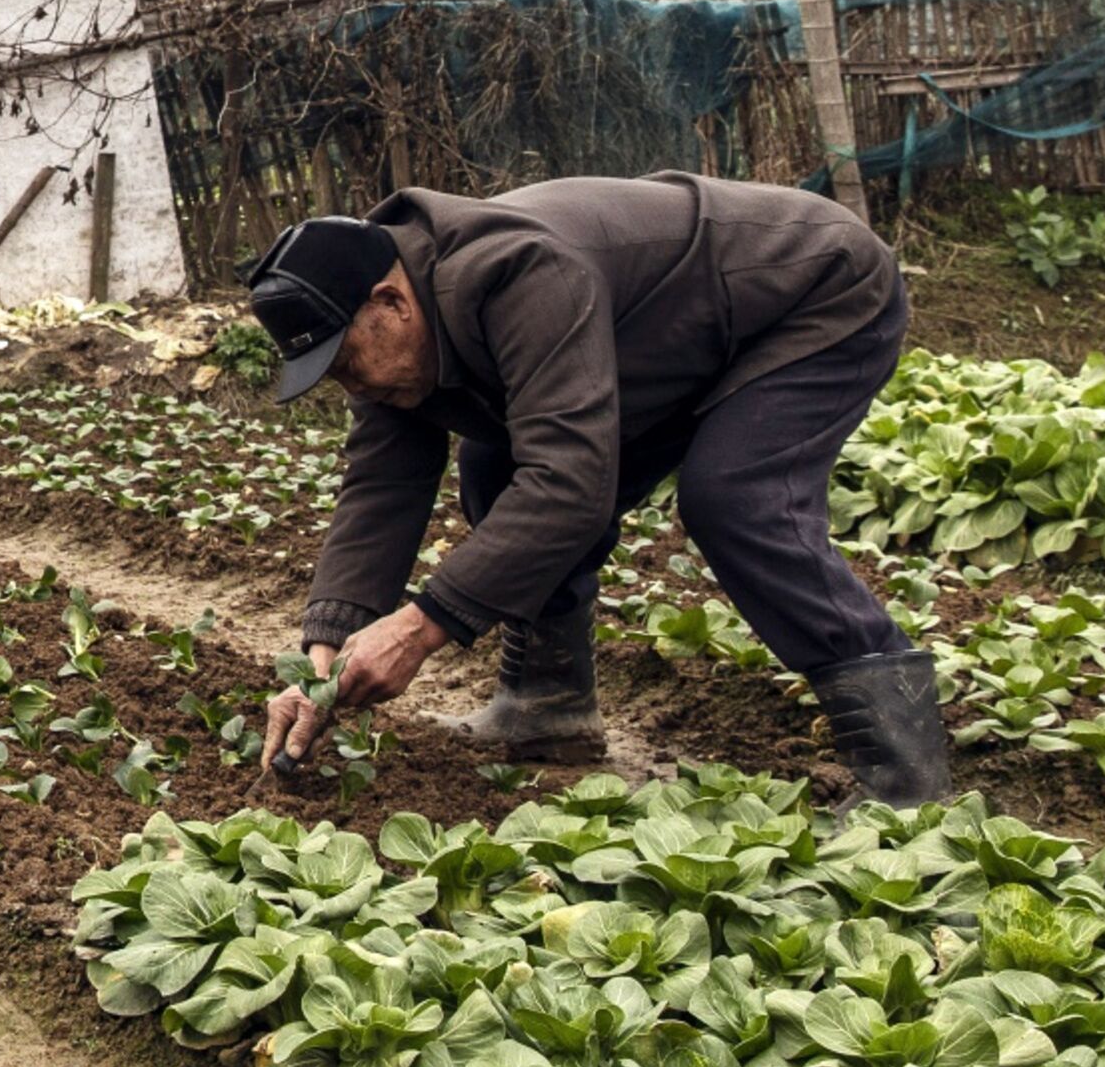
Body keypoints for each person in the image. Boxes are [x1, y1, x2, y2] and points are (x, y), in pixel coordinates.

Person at [243, 170, 948, 803]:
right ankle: (548, 703)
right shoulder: (389, 324)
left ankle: (901, 766)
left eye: (349, 363)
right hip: (677, 338)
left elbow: (571, 481)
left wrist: (420, 626)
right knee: (496, 462)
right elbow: (381, 485)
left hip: (814, 290)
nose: (353, 385)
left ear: (392, 301)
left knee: (735, 495)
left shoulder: (519, 273)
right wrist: (323, 657)